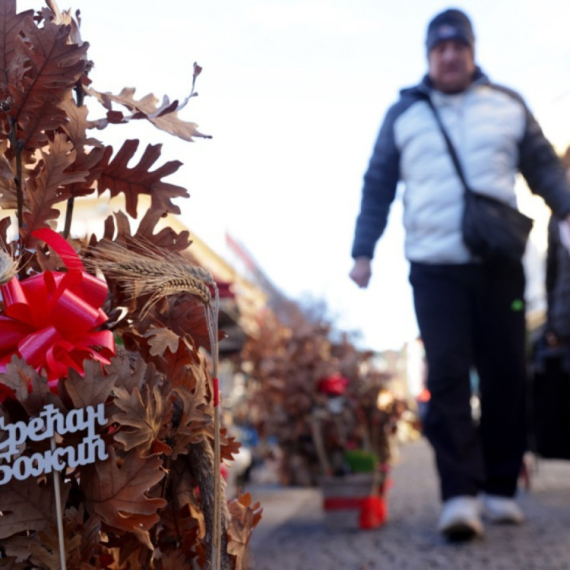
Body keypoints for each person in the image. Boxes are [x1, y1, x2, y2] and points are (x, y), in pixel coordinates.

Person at [349, 8, 570, 540]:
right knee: (446, 376)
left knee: (505, 378)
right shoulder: (404, 114)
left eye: (459, 46)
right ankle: (459, 496)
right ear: (429, 56)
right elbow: (377, 184)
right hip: (434, 267)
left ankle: (498, 488)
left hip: (499, 265)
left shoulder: (507, 104)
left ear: (472, 52)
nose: (450, 55)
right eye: (440, 48)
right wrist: (363, 251)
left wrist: (566, 209)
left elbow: (542, 165)